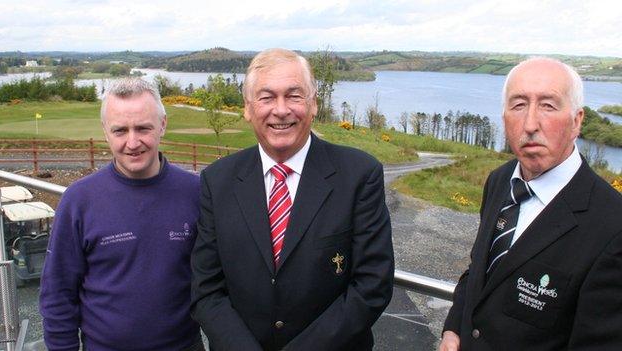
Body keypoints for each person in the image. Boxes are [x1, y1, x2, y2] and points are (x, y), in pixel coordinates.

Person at [190, 48, 394, 350]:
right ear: (247, 108)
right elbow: (206, 289)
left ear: (313, 105)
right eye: (267, 97)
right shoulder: (217, 181)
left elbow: (372, 285)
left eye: (294, 96)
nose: (281, 109)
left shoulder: (359, 175)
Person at [440, 57, 622, 351]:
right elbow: (479, 270)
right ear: (504, 117)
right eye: (518, 105)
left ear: (577, 121)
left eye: (548, 105)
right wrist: (452, 328)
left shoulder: (612, 225)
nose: (530, 124)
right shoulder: (500, 180)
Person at [40, 78, 203, 350]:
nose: (132, 142)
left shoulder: (196, 192)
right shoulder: (79, 200)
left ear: (163, 124)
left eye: (143, 128)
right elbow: (58, 294)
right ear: (105, 131)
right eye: (120, 130)